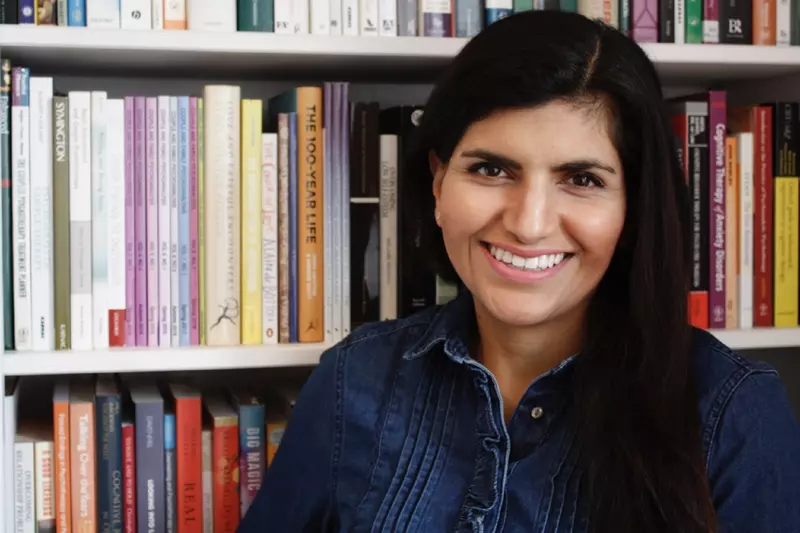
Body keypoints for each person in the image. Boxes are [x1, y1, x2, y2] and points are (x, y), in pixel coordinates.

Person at [239, 10, 800, 532]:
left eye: (582, 180)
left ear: (634, 208)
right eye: (491, 169)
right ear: (437, 184)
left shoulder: (733, 414)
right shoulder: (351, 380)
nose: (529, 225)